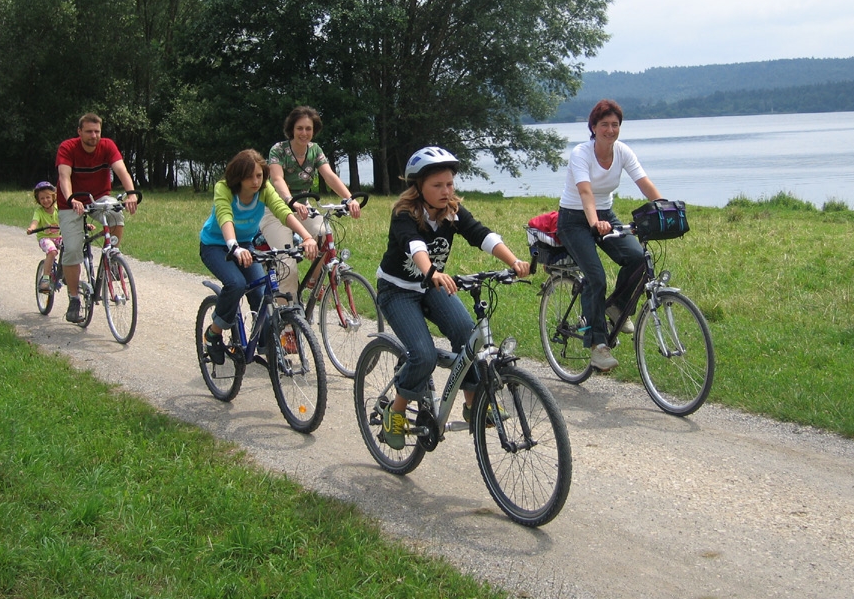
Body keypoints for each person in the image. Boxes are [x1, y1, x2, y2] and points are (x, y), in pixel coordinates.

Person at [375, 146, 530, 449]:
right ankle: (394, 413)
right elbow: (414, 244)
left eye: (450, 184)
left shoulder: (453, 211)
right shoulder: (404, 213)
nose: (446, 191)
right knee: (423, 355)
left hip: (433, 286)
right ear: (418, 187)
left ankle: (473, 403)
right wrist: (431, 270)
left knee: (469, 337)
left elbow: (481, 234)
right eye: (437, 185)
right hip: (397, 290)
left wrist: (513, 262)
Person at [556, 99, 662, 372]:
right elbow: (585, 192)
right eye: (604, 124)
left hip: (605, 214)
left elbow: (644, 182)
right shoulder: (581, 153)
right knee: (596, 277)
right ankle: (597, 345)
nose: (611, 130)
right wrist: (594, 222)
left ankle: (615, 309)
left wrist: (664, 209)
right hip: (574, 219)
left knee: (638, 259)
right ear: (593, 127)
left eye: (615, 125)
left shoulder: (623, 152)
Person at [200, 149, 319, 364]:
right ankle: (213, 334)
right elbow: (225, 216)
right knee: (236, 284)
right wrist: (233, 247)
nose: (255, 181)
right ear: (238, 177)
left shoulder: (264, 190)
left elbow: (283, 211)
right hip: (216, 245)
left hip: (245, 244)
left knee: (261, 292)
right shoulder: (224, 188)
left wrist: (307, 237)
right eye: (249, 177)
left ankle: (268, 348)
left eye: (259, 175)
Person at [264, 105, 360, 302]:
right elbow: (277, 180)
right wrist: (289, 200)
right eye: (300, 128)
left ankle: (314, 281)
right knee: (287, 267)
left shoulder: (315, 150)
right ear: (292, 129)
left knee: (326, 234)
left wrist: (349, 198)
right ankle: (287, 319)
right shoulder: (279, 150)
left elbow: (329, 176)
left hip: (303, 206)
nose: (304, 133)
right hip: (276, 208)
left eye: (308, 129)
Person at [56, 113, 139, 324]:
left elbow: (121, 169)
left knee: (116, 214)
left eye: (97, 132)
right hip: (71, 202)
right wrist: (71, 198)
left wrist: (131, 193)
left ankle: (111, 257)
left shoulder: (107, 146)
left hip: (98, 197)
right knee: (73, 248)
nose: (94, 136)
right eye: (89, 131)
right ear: (79, 132)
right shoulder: (68, 148)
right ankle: (74, 298)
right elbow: (64, 177)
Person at [26, 181, 60, 293]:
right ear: (38, 200)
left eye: (48, 197)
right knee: (52, 251)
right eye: (42, 199)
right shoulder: (39, 212)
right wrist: (31, 228)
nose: (45, 200)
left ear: (53, 196)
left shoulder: (58, 209)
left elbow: (70, 220)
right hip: (45, 238)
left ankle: (64, 272)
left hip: (59, 237)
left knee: (71, 248)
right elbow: (35, 222)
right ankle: (45, 279)